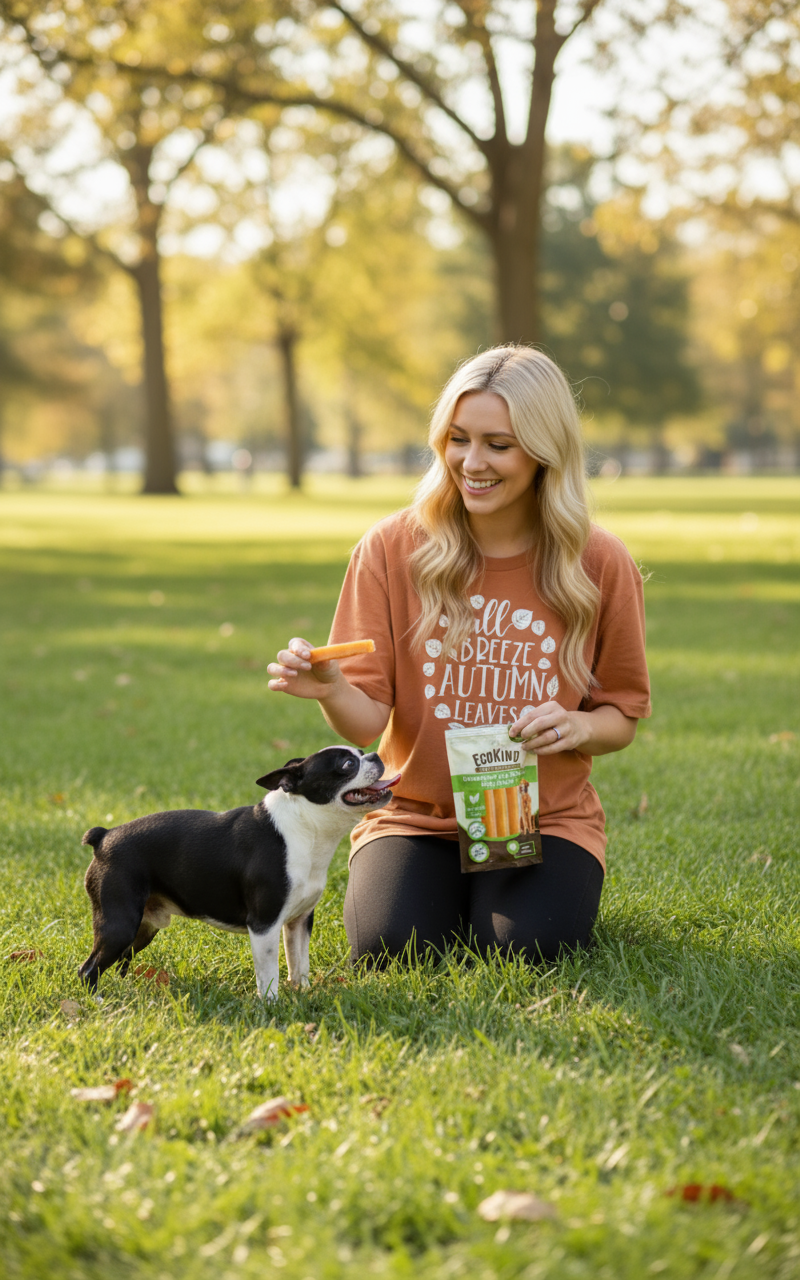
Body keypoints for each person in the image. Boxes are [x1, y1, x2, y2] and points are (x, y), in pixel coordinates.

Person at [267, 346, 651, 966]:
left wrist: (577, 724)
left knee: (526, 949)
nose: (472, 463)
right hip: (413, 818)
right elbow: (368, 723)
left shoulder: (600, 563)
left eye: (499, 444)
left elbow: (622, 716)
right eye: (458, 438)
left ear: (544, 450)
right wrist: (333, 688)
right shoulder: (391, 548)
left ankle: (508, 897)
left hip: (541, 822)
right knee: (395, 948)